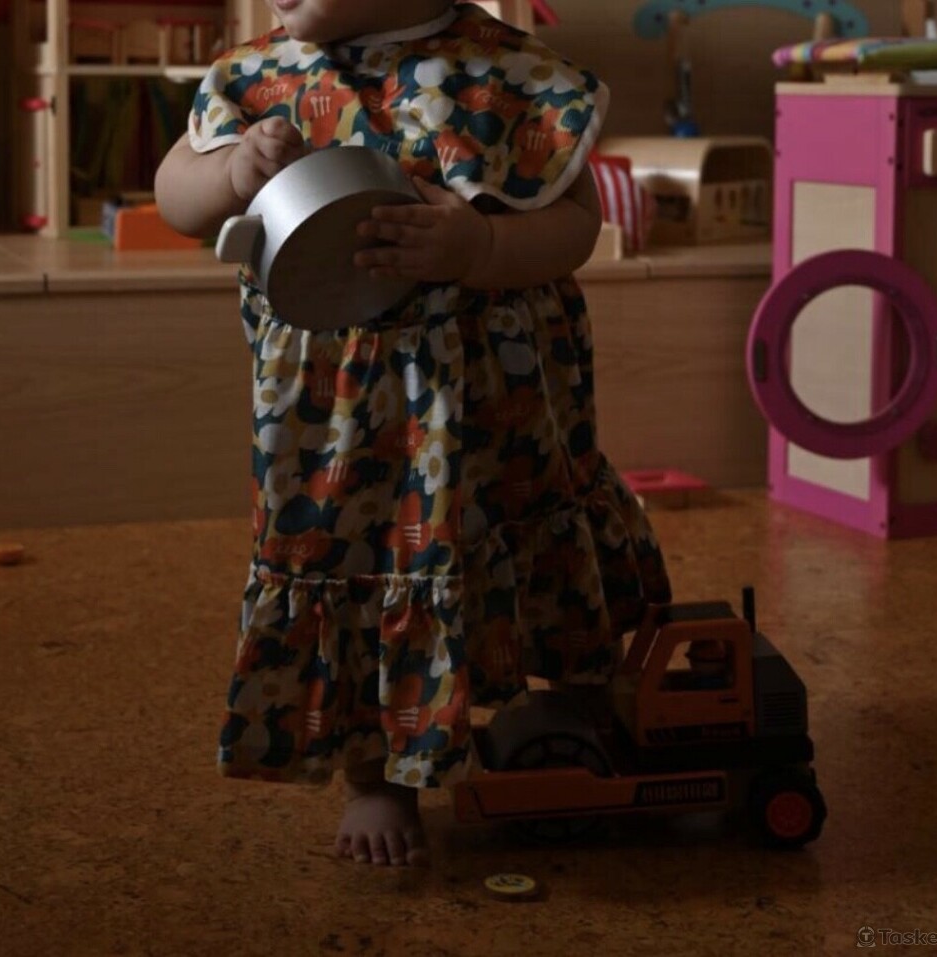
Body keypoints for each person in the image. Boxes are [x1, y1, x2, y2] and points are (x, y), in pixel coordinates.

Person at [155, 0, 671, 868]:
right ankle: (377, 775)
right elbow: (174, 194)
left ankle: (574, 696)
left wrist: (480, 246)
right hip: (338, 414)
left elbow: (576, 224)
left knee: (521, 525)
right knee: (356, 554)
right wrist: (232, 172)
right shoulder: (258, 76)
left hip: (495, 405)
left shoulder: (508, 71)